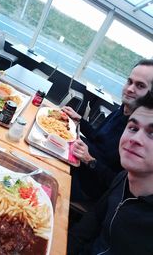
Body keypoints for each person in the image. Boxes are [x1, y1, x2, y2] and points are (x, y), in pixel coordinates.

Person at [68, 90, 153, 255]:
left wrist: (91, 161)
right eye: (133, 128)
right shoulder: (123, 179)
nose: (135, 139)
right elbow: (89, 225)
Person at [62, 59, 153, 202]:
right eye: (129, 82)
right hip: (78, 161)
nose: (130, 89)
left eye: (140, 85)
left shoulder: (141, 135)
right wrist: (79, 119)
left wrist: (90, 160)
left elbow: (120, 184)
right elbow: (97, 137)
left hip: (89, 187)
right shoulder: (121, 110)